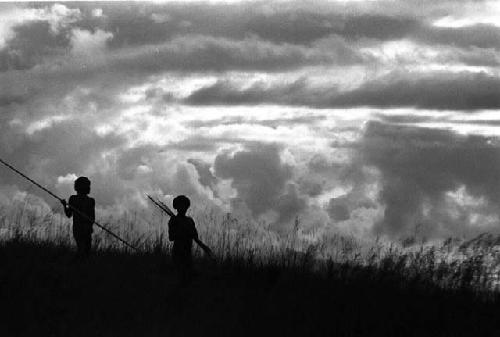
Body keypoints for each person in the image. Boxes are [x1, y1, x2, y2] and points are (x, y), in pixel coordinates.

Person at [168, 195, 212, 284]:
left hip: (188, 254)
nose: (183, 208)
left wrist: (204, 247)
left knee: (188, 279)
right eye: (180, 205)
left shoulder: (190, 221)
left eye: (185, 205)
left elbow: (195, 236)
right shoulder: (173, 220)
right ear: (176, 207)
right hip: (177, 253)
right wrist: (181, 231)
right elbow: (171, 237)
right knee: (179, 278)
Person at [61, 177, 95, 260]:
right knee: (82, 250)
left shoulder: (89, 201)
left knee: (86, 251)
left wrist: (65, 205)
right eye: (87, 185)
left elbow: (92, 218)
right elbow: (69, 214)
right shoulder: (74, 199)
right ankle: (77, 265)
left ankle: (79, 266)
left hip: (85, 229)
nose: (89, 187)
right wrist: (65, 205)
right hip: (80, 229)